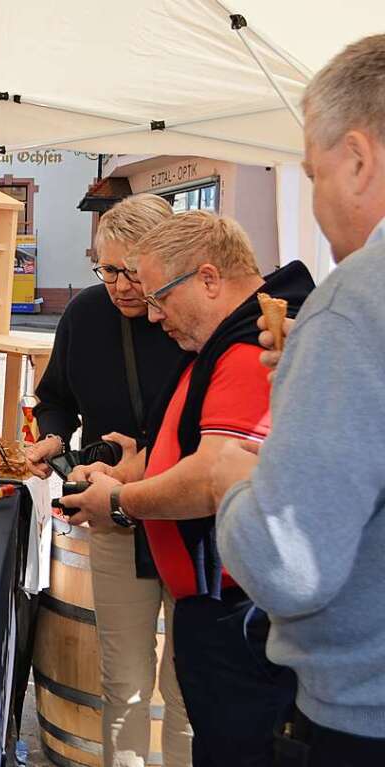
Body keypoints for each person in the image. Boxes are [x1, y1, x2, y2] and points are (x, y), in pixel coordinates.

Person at [61, 211, 313, 767]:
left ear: (207, 278)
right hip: (218, 599)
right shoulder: (224, 340)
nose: (152, 316)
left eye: (159, 298)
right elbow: (185, 439)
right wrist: (131, 471)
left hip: (233, 607)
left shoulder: (247, 348)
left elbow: (209, 476)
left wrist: (121, 502)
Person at [212, 33, 385, 767]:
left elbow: (289, 562)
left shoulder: (354, 301)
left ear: (357, 159)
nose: (314, 201)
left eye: (312, 174)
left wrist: (231, 482)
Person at [25, 194, 192, 767]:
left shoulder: (189, 318)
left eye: (131, 271)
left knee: (186, 693)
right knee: (122, 684)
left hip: (190, 517)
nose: (119, 285)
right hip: (115, 521)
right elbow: (56, 399)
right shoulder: (85, 315)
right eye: (106, 268)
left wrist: (145, 460)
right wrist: (51, 435)